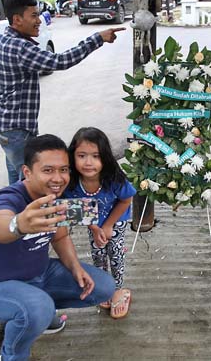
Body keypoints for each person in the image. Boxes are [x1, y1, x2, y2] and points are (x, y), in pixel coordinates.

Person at [0, 134, 116, 361]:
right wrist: (19, 224)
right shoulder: (8, 197)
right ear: (27, 172)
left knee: (104, 287)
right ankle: (12, 354)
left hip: (39, 275)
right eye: (48, 170)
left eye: (64, 170)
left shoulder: (55, 196)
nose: (58, 178)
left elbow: (60, 237)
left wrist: (76, 268)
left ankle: (39, 316)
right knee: (37, 309)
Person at [0, 0, 125, 185]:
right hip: (16, 130)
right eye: (34, 15)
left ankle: (15, 210)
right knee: (30, 181)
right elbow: (61, 61)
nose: (39, 20)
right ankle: (23, 214)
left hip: (1, 126)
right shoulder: (20, 48)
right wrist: (97, 39)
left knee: (17, 173)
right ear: (17, 19)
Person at [64, 127, 136, 319]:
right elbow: (77, 210)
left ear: (105, 157)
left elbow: (126, 200)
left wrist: (108, 225)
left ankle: (118, 290)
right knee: (97, 254)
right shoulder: (72, 182)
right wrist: (95, 228)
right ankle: (105, 287)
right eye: (82, 155)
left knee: (115, 254)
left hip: (116, 221)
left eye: (95, 156)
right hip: (93, 223)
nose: (88, 163)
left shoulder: (113, 178)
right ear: (72, 157)